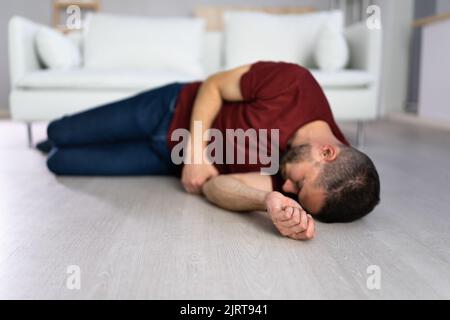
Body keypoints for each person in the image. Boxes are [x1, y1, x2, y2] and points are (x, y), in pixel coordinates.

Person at [40, 61, 380, 241]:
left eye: (296, 196)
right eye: (299, 184)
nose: (288, 188)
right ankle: (58, 137)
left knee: (61, 161)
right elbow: (214, 84)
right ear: (327, 153)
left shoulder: (293, 186)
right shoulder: (296, 84)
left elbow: (215, 187)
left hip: (167, 160)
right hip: (168, 109)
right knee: (58, 132)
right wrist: (197, 153)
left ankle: (59, 147)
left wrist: (268, 202)